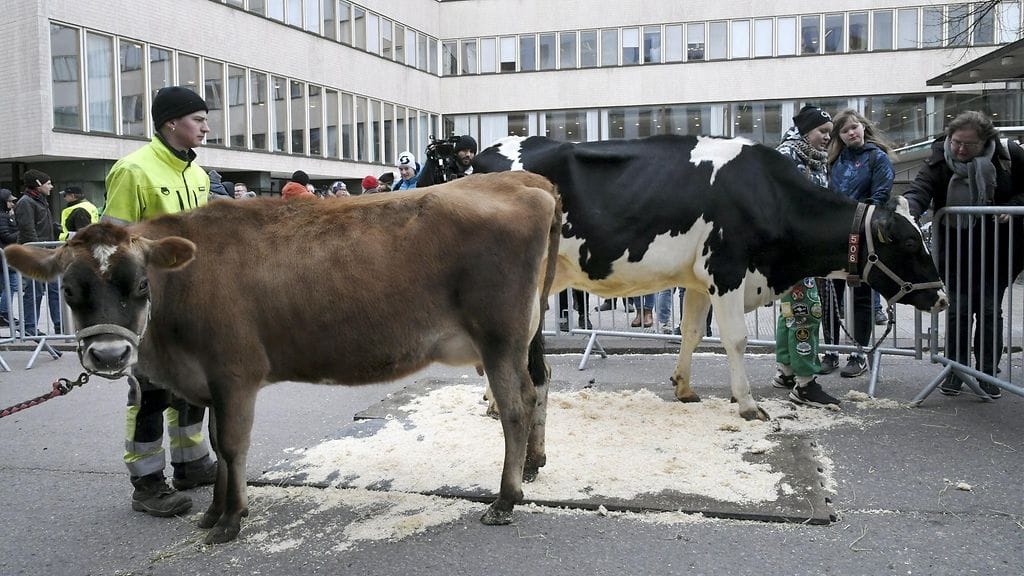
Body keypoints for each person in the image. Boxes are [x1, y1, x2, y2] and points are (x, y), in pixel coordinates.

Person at [102, 85, 218, 518]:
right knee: (148, 394)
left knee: (190, 387)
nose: (206, 127)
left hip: (190, 302)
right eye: (198, 119)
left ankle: (191, 464)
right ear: (171, 123)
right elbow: (109, 245)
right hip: (147, 304)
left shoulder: (199, 175)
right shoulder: (133, 170)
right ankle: (148, 484)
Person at [904, 110, 1024, 398]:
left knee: (988, 311)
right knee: (958, 310)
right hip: (955, 252)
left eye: (968, 145)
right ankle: (955, 370)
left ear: (985, 142)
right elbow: (920, 189)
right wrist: (907, 211)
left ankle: (987, 373)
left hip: (997, 252)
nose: (959, 149)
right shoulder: (939, 157)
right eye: (956, 142)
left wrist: (1012, 207)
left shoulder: (1009, 155)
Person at [772, 105, 840, 408]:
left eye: (829, 133)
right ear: (805, 130)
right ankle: (805, 384)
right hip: (793, 249)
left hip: (805, 247)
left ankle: (786, 371)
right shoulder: (787, 156)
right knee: (806, 310)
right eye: (822, 131)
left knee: (791, 310)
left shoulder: (815, 157)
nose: (827, 137)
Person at [826, 109, 895, 379]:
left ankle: (859, 354)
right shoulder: (834, 159)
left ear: (863, 127)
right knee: (831, 295)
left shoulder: (877, 157)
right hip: (835, 236)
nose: (851, 133)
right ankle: (830, 351)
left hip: (863, 235)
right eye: (844, 131)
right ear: (839, 136)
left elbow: (880, 196)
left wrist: (856, 219)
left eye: (854, 127)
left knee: (861, 296)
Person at [14, 169, 62, 337]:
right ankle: (29, 326)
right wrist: (38, 251)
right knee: (34, 290)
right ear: (38, 184)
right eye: (48, 183)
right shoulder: (26, 202)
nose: (51, 186)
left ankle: (60, 324)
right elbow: (28, 230)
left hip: (46, 252)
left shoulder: (40, 201)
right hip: (35, 254)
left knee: (54, 289)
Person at [0, 188, 18, 325]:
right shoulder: (3, 216)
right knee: (11, 284)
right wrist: (21, 231)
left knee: (9, 284)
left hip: (5, 255)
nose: (12, 204)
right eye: (10, 201)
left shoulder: (5, 215)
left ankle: (4, 312)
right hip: (5, 256)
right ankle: (4, 313)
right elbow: (6, 236)